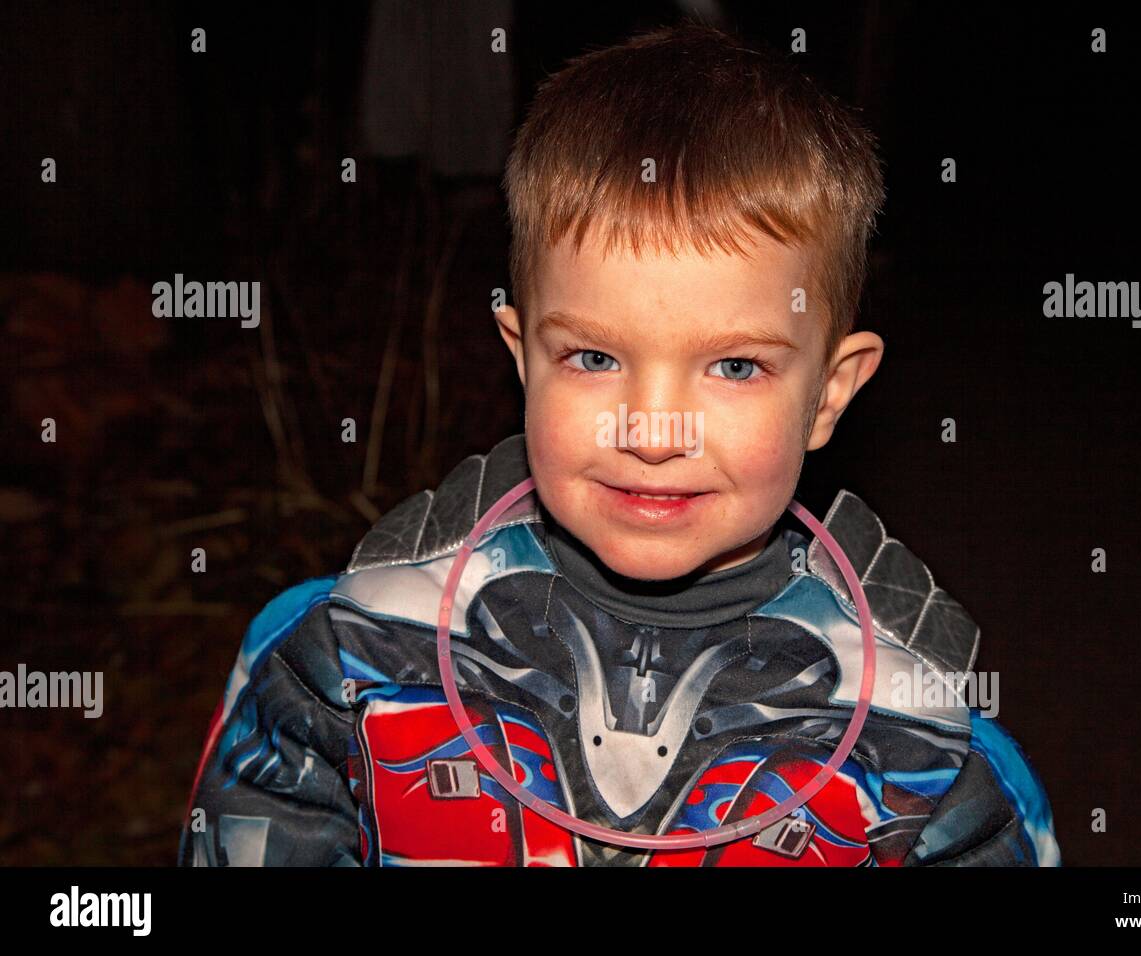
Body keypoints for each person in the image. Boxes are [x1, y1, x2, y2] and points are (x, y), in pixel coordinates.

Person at [179, 21, 1059, 867]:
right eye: (595, 357)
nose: (651, 429)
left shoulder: (924, 747)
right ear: (524, 361)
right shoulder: (351, 658)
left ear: (828, 395)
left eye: (736, 368)